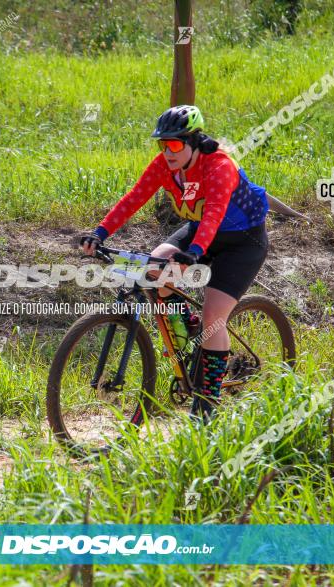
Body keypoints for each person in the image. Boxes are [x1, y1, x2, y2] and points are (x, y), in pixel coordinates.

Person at [80, 105, 270, 424]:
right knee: (155, 269)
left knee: (215, 316)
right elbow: (134, 198)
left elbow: (213, 214)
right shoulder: (165, 166)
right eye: (162, 144)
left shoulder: (219, 166)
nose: (167, 151)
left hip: (241, 242)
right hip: (201, 233)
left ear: (193, 142)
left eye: (174, 145)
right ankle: (191, 331)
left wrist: (195, 252)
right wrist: (99, 233)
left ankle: (206, 407)